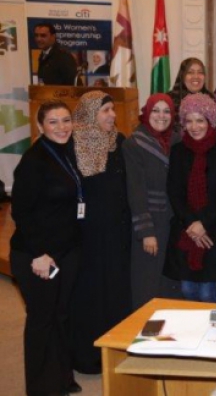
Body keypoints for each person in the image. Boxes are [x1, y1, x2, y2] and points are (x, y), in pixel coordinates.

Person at [11, 100, 83, 395]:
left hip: (64, 252)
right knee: (42, 319)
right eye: (53, 122)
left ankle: (62, 377)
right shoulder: (33, 161)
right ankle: (41, 388)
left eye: (66, 120)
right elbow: (22, 214)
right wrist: (40, 255)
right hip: (37, 256)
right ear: (40, 126)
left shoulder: (67, 152)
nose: (62, 127)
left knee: (61, 315)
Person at [69, 91, 132, 374]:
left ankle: (115, 354)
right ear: (89, 112)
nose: (112, 115)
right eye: (105, 110)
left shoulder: (118, 142)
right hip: (87, 236)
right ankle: (87, 357)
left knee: (116, 292)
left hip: (117, 233)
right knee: (90, 295)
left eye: (112, 110)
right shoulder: (72, 144)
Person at [164, 94, 216, 303]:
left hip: (213, 232)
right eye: (188, 121)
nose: (194, 126)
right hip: (186, 230)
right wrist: (192, 223)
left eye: (200, 120)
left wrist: (204, 223)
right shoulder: (178, 151)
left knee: (208, 293)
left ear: (210, 121)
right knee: (188, 290)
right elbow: (174, 192)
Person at [122, 93, 181, 310]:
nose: (161, 116)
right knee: (147, 282)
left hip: (172, 223)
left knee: (170, 282)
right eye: (156, 110)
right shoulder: (134, 144)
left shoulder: (178, 140)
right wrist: (146, 232)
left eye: (167, 111)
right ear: (147, 113)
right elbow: (135, 191)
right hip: (150, 223)